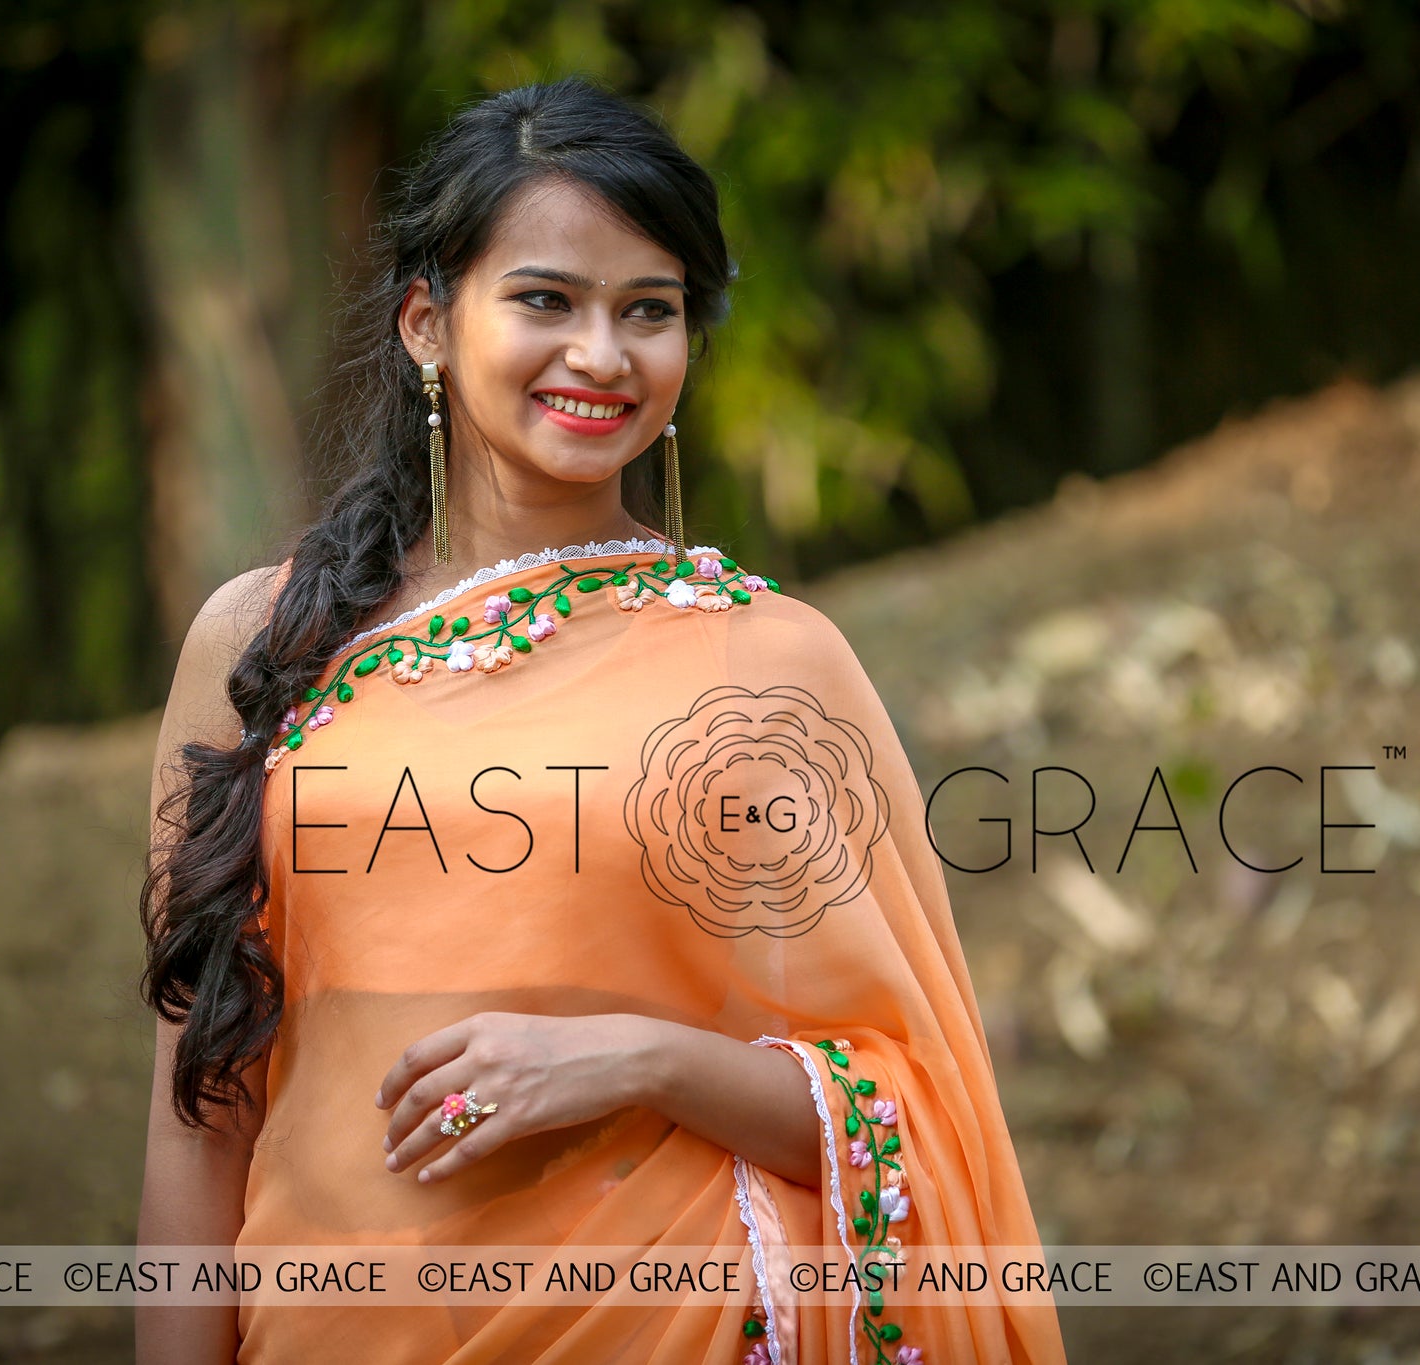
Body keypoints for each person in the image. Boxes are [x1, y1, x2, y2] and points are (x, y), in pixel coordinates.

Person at [136, 74, 1067, 1365]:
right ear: (426, 322)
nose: (602, 355)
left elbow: (921, 1113)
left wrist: (643, 1057)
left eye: (651, 310)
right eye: (544, 300)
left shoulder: (769, 662)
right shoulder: (262, 645)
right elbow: (201, 1099)